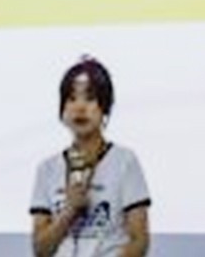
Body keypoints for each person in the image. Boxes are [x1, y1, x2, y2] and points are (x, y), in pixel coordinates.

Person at [30, 56, 149, 257]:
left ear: (104, 107)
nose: (80, 107)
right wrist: (68, 211)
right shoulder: (47, 169)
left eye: (90, 98)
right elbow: (40, 250)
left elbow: (140, 241)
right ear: (62, 110)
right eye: (71, 99)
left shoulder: (125, 161)